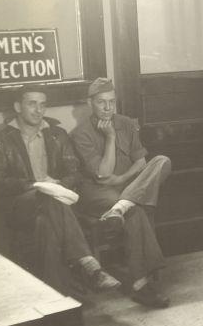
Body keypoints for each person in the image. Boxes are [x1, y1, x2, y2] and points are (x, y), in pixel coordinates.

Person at [0, 85, 120, 294]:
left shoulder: (57, 134)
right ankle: (89, 265)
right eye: (32, 104)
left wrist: (58, 184)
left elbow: (73, 171)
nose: (38, 110)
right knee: (46, 195)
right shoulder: (2, 140)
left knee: (45, 224)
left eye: (43, 105)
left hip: (53, 204)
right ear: (17, 107)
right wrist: (33, 185)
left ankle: (58, 293)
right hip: (18, 205)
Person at [71, 77, 171, 309]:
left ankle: (120, 208)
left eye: (112, 102)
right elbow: (104, 175)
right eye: (101, 102)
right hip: (98, 192)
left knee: (162, 161)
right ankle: (141, 285)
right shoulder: (80, 134)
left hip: (127, 186)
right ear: (90, 103)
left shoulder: (126, 122)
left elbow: (141, 162)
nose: (108, 108)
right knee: (134, 209)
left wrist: (123, 180)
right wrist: (110, 138)